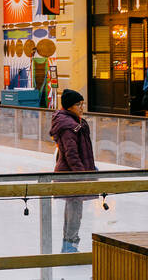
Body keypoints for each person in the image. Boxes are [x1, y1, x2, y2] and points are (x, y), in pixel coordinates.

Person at [49, 89, 96, 254]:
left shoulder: (74, 122)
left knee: (73, 209)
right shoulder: (69, 126)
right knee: (75, 211)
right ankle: (70, 245)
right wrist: (82, 174)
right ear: (69, 107)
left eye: (82, 104)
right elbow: (72, 154)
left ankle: (69, 244)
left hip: (74, 173)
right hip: (72, 175)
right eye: (78, 104)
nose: (82, 107)